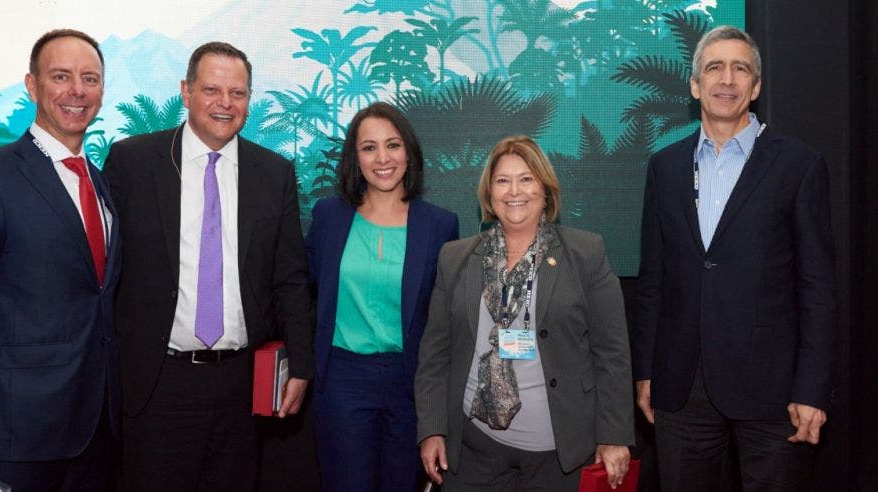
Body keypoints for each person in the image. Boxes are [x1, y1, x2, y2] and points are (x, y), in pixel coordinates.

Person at [633, 25, 836, 491]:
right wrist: (646, 371)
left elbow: (818, 289)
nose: (727, 79)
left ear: (756, 86)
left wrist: (812, 389)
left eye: (740, 68)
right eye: (714, 68)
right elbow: (654, 281)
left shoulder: (799, 165)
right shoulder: (664, 167)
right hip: (682, 387)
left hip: (776, 393)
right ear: (695, 85)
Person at [102, 41, 313, 490]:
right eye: (212, 90)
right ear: (186, 91)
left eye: (237, 93)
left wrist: (301, 365)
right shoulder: (134, 161)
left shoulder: (273, 172)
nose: (225, 104)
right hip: (157, 382)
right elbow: (104, 270)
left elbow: (290, 278)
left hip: (242, 385)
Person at [0, 29, 120, 491]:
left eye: (90, 78)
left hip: (97, 430)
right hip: (14, 436)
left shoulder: (100, 184)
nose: (77, 90)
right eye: (61, 76)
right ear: (32, 86)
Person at [415, 135, 634, 490]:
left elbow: (612, 352)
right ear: (489, 194)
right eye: (503, 180)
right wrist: (431, 428)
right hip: (473, 450)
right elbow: (435, 354)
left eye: (526, 179)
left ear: (545, 190)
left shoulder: (585, 253)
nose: (514, 191)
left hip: (558, 455)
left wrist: (613, 434)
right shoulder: (454, 258)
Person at [305, 102, 459, 491]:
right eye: (369, 147)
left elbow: (446, 320)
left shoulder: (440, 225)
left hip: (410, 382)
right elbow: (301, 290)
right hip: (342, 379)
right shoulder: (328, 217)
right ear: (355, 158)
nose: (383, 158)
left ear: (409, 151)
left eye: (392, 145)